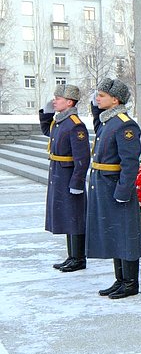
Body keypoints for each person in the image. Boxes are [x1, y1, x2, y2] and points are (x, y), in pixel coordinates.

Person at [87, 78, 141, 299]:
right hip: (105, 185)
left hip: (116, 187)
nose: (96, 99)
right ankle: (120, 280)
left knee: (125, 234)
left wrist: (123, 191)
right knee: (114, 233)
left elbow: (130, 163)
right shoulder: (108, 121)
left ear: (115, 99)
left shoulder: (124, 124)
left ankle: (131, 283)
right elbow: (96, 115)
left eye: (101, 96)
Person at [38, 84, 90, 272]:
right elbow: (48, 132)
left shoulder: (75, 125)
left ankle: (79, 258)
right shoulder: (60, 122)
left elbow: (83, 158)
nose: (55, 101)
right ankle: (72, 256)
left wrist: (77, 182)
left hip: (68, 176)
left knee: (75, 218)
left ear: (69, 102)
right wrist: (46, 113)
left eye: (58, 99)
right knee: (68, 217)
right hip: (59, 175)